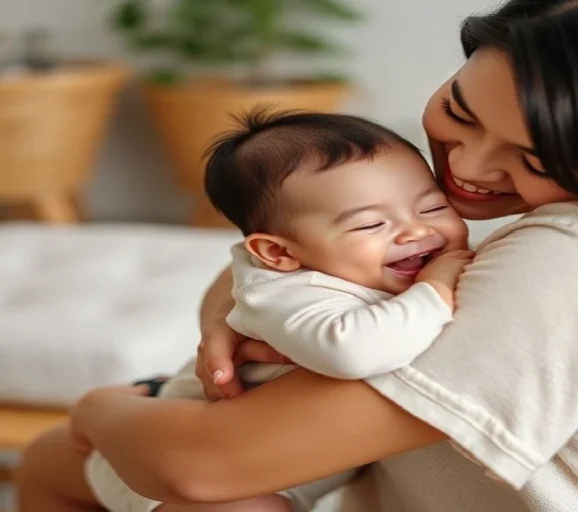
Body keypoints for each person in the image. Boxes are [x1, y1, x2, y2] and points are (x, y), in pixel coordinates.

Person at [17, 0, 578, 511]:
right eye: (461, 109)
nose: (466, 170)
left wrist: (99, 406)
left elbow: (206, 465)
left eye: (533, 159)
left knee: (63, 461)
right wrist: (232, 305)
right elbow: (294, 251)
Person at [83, 110, 471, 512]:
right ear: (278, 253)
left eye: (431, 208)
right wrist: (436, 288)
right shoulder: (289, 293)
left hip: (268, 472)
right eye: (370, 225)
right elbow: (352, 351)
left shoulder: (351, 265)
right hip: (170, 462)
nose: (416, 231)